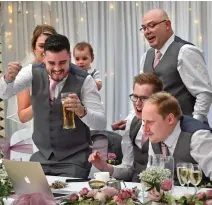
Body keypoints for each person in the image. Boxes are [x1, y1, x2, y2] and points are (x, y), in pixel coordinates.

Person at [0, 34, 106, 179]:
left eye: (62, 62)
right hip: (42, 157)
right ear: (43, 57)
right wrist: (8, 79)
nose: (57, 69)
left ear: (69, 56)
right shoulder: (32, 72)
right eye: (51, 63)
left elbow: (101, 122)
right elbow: (5, 93)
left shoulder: (85, 80)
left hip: (74, 160)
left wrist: (82, 111)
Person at [140, 8, 212, 123]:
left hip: (184, 129)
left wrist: (195, 124)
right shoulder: (146, 56)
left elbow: (203, 92)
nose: (147, 31)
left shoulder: (186, 51)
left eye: (152, 25)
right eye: (144, 28)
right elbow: (142, 95)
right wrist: (132, 121)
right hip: (156, 131)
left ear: (167, 25)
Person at [89, 73, 163, 182]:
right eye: (135, 97)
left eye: (144, 98)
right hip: (134, 189)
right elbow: (128, 169)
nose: (137, 103)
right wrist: (105, 167)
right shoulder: (131, 123)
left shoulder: (166, 127)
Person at [142, 91, 212, 183]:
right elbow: (151, 178)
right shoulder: (156, 135)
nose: (145, 129)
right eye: (143, 122)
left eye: (150, 122)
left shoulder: (198, 137)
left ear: (170, 119)